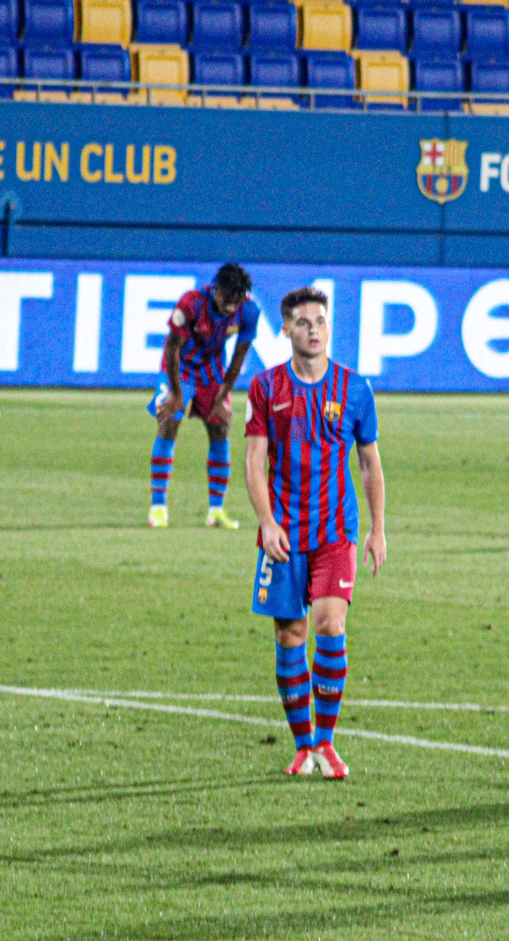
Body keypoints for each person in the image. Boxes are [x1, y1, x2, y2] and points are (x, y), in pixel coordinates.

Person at [244, 287, 385, 781]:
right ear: (286, 329)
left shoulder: (354, 388)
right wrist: (265, 521)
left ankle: (326, 741)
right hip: (284, 532)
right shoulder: (265, 388)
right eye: (303, 322)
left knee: (329, 624)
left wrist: (377, 530)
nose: (313, 328)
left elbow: (369, 462)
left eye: (320, 320)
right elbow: (255, 460)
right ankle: (303, 746)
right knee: (291, 634)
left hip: (335, 532)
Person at [147, 263, 260, 529]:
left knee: (221, 428)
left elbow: (239, 356)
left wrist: (223, 395)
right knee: (169, 422)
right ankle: (158, 507)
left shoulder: (249, 311)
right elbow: (172, 348)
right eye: (227, 300)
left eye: (237, 301)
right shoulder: (191, 304)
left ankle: (216, 511)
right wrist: (176, 394)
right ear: (216, 290)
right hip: (180, 369)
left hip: (212, 371)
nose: (232, 308)